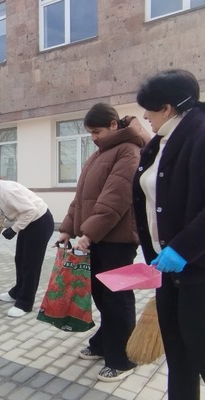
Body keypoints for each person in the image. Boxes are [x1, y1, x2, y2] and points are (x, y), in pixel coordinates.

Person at [132, 69, 205, 399]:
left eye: (148, 109)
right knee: (178, 351)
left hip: (202, 270)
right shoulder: (162, 143)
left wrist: (182, 248)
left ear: (167, 108)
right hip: (167, 269)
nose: (145, 116)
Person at [57, 103, 150, 382]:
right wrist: (67, 229)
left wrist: (88, 234)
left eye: (96, 131)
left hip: (117, 241)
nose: (93, 137)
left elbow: (115, 199)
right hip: (95, 238)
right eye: (89, 133)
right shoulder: (98, 155)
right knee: (100, 295)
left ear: (113, 124)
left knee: (116, 299)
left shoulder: (128, 151)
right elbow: (81, 197)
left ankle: (122, 359)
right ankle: (103, 343)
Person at [0, 168, 54, 318]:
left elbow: (31, 210)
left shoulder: (8, 191)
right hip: (27, 223)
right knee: (19, 259)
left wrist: (14, 229)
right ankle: (18, 292)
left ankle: (25, 303)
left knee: (30, 264)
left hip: (40, 222)